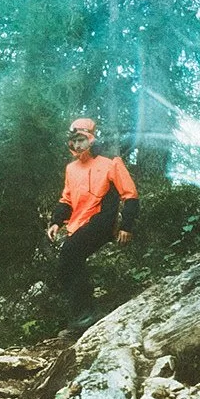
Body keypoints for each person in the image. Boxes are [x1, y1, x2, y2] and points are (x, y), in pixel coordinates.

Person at [47, 116, 138, 329]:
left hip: (103, 221)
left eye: (81, 140)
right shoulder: (71, 169)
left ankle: (87, 314)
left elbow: (130, 194)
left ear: (91, 139)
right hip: (79, 223)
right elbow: (66, 199)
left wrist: (127, 226)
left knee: (69, 253)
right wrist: (55, 222)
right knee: (66, 263)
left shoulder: (110, 162)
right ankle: (82, 315)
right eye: (74, 141)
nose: (77, 145)